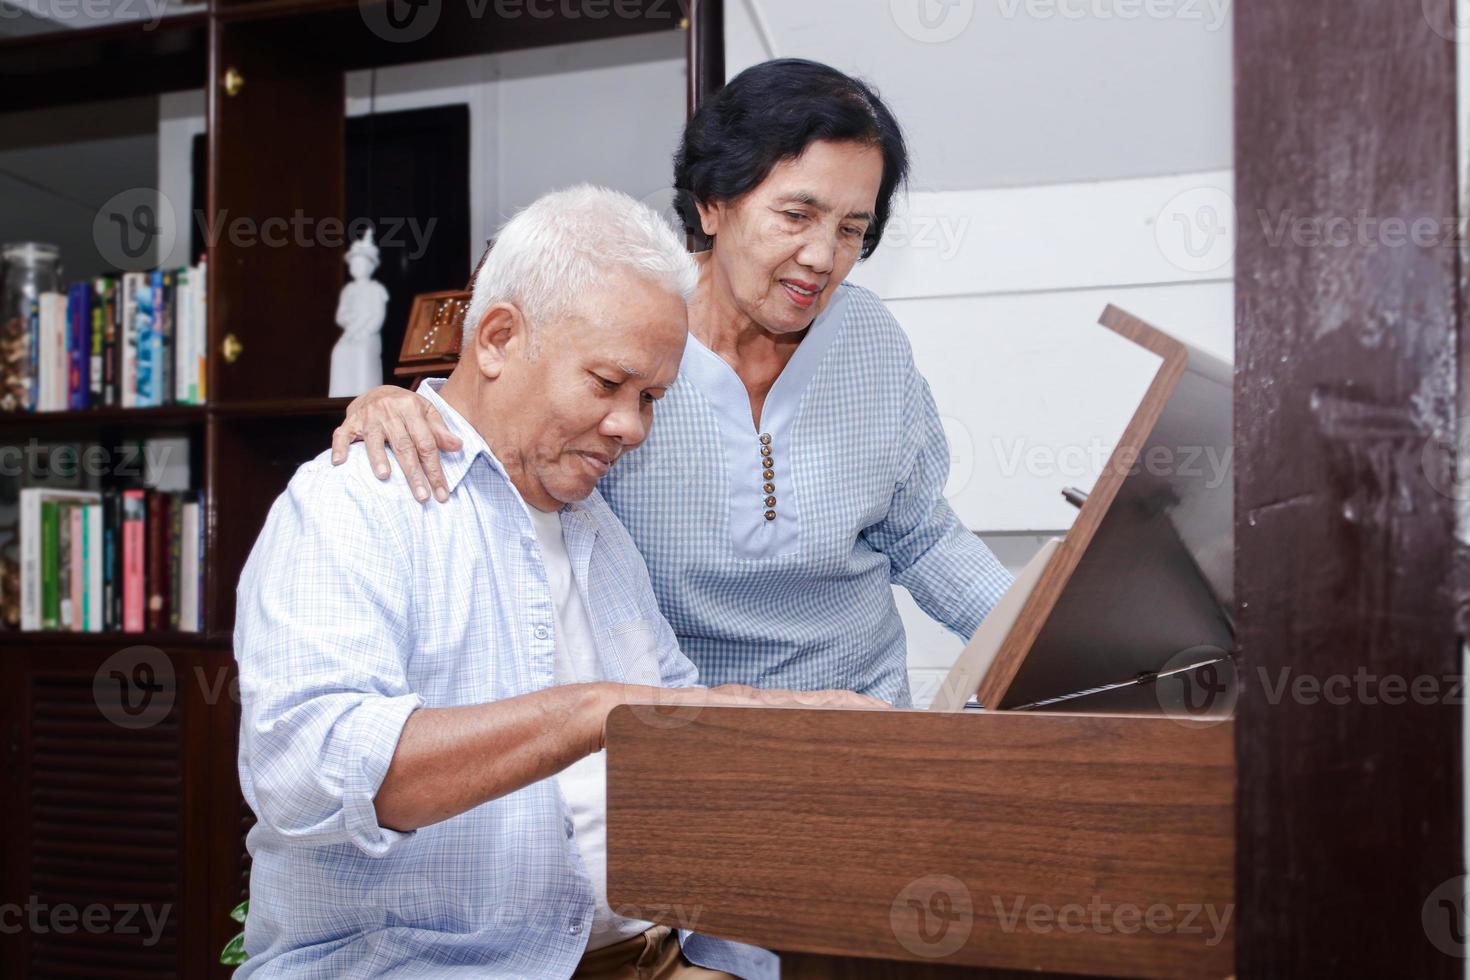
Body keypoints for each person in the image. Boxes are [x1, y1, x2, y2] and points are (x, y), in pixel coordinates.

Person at [235, 186, 881, 980]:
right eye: (608, 384)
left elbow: (678, 730)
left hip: (670, 955)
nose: (631, 428)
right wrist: (592, 712)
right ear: (500, 338)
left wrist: (808, 731)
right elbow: (305, 774)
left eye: (650, 400)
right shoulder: (354, 503)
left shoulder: (598, 529)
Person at [332, 59, 1014, 707]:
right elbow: (497, 428)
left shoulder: (869, 339)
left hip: (862, 714)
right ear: (713, 202)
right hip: (683, 726)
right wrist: (386, 402)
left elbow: (922, 536)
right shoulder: (629, 336)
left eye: (851, 229)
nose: (821, 257)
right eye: (796, 216)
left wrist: (1044, 643)